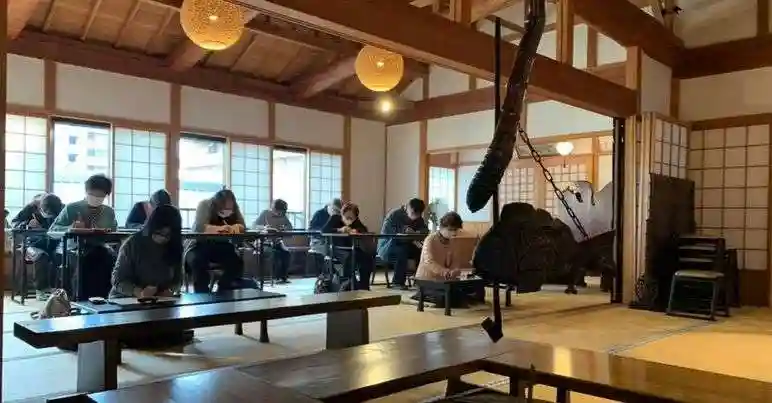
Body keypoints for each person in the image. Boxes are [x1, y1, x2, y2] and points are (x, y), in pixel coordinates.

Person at [49, 174, 119, 300]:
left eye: (100, 196)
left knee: (110, 259)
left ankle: (104, 298)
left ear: (106, 195)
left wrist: (106, 232)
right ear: (86, 192)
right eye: (93, 194)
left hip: (100, 247)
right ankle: (81, 298)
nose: (96, 198)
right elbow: (52, 230)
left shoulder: (109, 211)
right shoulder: (72, 208)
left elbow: (114, 231)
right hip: (73, 248)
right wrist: (71, 228)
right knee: (84, 262)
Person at [110, 205, 183, 299]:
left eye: (168, 235)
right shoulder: (133, 244)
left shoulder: (174, 246)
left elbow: (178, 280)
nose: (163, 238)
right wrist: (138, 292)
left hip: (160, 301)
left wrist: (170, 290)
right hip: (126, 299)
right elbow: (118, 279)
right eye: (159, 233)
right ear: (152, 227)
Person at [414, 212, 481, 308]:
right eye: (450, 230)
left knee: (470, 294)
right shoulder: (430, 239)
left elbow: (456, 261)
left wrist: (456, 271)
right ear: (441, 227)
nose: (454, 233)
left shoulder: (453, 241)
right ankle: (422, 295)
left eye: (455, 230)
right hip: (427, 280)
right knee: (448, 299)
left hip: (445, 281)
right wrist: (446, 272)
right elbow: (429, 262)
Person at [184, 189, 246, 293]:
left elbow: (242, 227)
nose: (227, 211)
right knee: (198, 261)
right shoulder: (205, 205)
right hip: (200, 244)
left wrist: (232, 228)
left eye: (229, 209)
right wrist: (226, 229)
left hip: (222, 245)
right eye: (224, 208)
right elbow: (201, 228)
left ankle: (224, 290)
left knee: (237, 262)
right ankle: (202, 294)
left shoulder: (234, 209)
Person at [14, 194, 64, 300]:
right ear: (40, 206)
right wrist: (27, 224)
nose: (49, 215)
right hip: (31, 243)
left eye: (52, 213)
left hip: (52, 243)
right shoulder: (30, 209)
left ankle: (56, 288)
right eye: (47, 212)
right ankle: (40, 289)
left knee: (62, 256)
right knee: (41, 256)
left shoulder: (60, 207)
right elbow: (14, 224)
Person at [377, 198, 429, 290]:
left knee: (422, 250)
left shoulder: (418, 218)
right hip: (388, 246)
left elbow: (425, 231)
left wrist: (416, 232)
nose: (414, 217)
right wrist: (404, 231)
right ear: (408, 207)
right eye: (413, 213)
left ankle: (420, 279)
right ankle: (397, 282)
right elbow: (389, 234)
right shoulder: (394, 215)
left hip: (406, 245)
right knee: (402, 250)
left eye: (418, 214)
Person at [322, 202, 373, 290]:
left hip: (351, 248)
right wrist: (339, 230)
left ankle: (364, 286)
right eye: (346, 217)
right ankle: (348, 284)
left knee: (367, 257)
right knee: (349, 257)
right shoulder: (335, 218)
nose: (349, 219)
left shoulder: (356, 222)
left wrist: (356, 231)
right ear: (342, 214)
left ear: (355, 217)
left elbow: (364, 230)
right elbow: (323, 231)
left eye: (351, 217)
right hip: (334, 248)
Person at [253, 199, 293, 284]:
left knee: (286, 253)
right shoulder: (265, 213)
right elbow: (254, 225)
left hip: (277, 242)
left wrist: (285, 228)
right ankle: (276, 277)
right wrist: (264, 228)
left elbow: (290, 227)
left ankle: (283, 277)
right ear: (273, 208)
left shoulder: (283, 216)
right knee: (275, 254)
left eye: (282, 212)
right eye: (278, 211)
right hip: (263, 242)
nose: (279, 214)